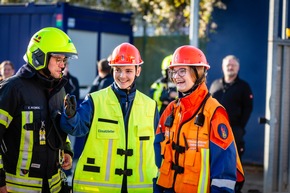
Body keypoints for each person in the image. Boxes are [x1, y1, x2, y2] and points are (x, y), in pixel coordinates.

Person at [60, 42, 160, 193]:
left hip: (140, 188)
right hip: (100, 188)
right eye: (118, 70)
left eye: (128, 70)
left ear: (138, 71)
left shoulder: (150, 106)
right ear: (112, 70)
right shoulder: (95, 100)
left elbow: (160, 147)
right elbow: (77, 129)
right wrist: (71, 115)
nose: (122, 76)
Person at [155, 45, 245, 193]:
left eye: (182, 71)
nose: (176, 77)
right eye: (174, 71)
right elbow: (157, 160)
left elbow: (223, 174)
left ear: (198, 72)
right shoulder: (170, 110)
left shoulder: (214, 112)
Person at [0, 27, 78, 192]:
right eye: (58, 59)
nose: (62, 65)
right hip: (17, 188)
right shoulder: (13, 89)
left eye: (64, 60)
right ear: (39, 56)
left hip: (54, 187)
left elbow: (60, 129)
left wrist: (67, 151)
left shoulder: (59, 89)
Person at [209, 55, 253, 160]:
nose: (230, 67)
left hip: (234, 130)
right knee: (215, 159)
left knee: (233, 160)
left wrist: (239, 127)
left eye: (233, 65)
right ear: (223, 67)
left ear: (238, 67)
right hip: (214, 130)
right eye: (228, 65)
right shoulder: (215, 85)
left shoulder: (244, 86)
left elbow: (248, 108)